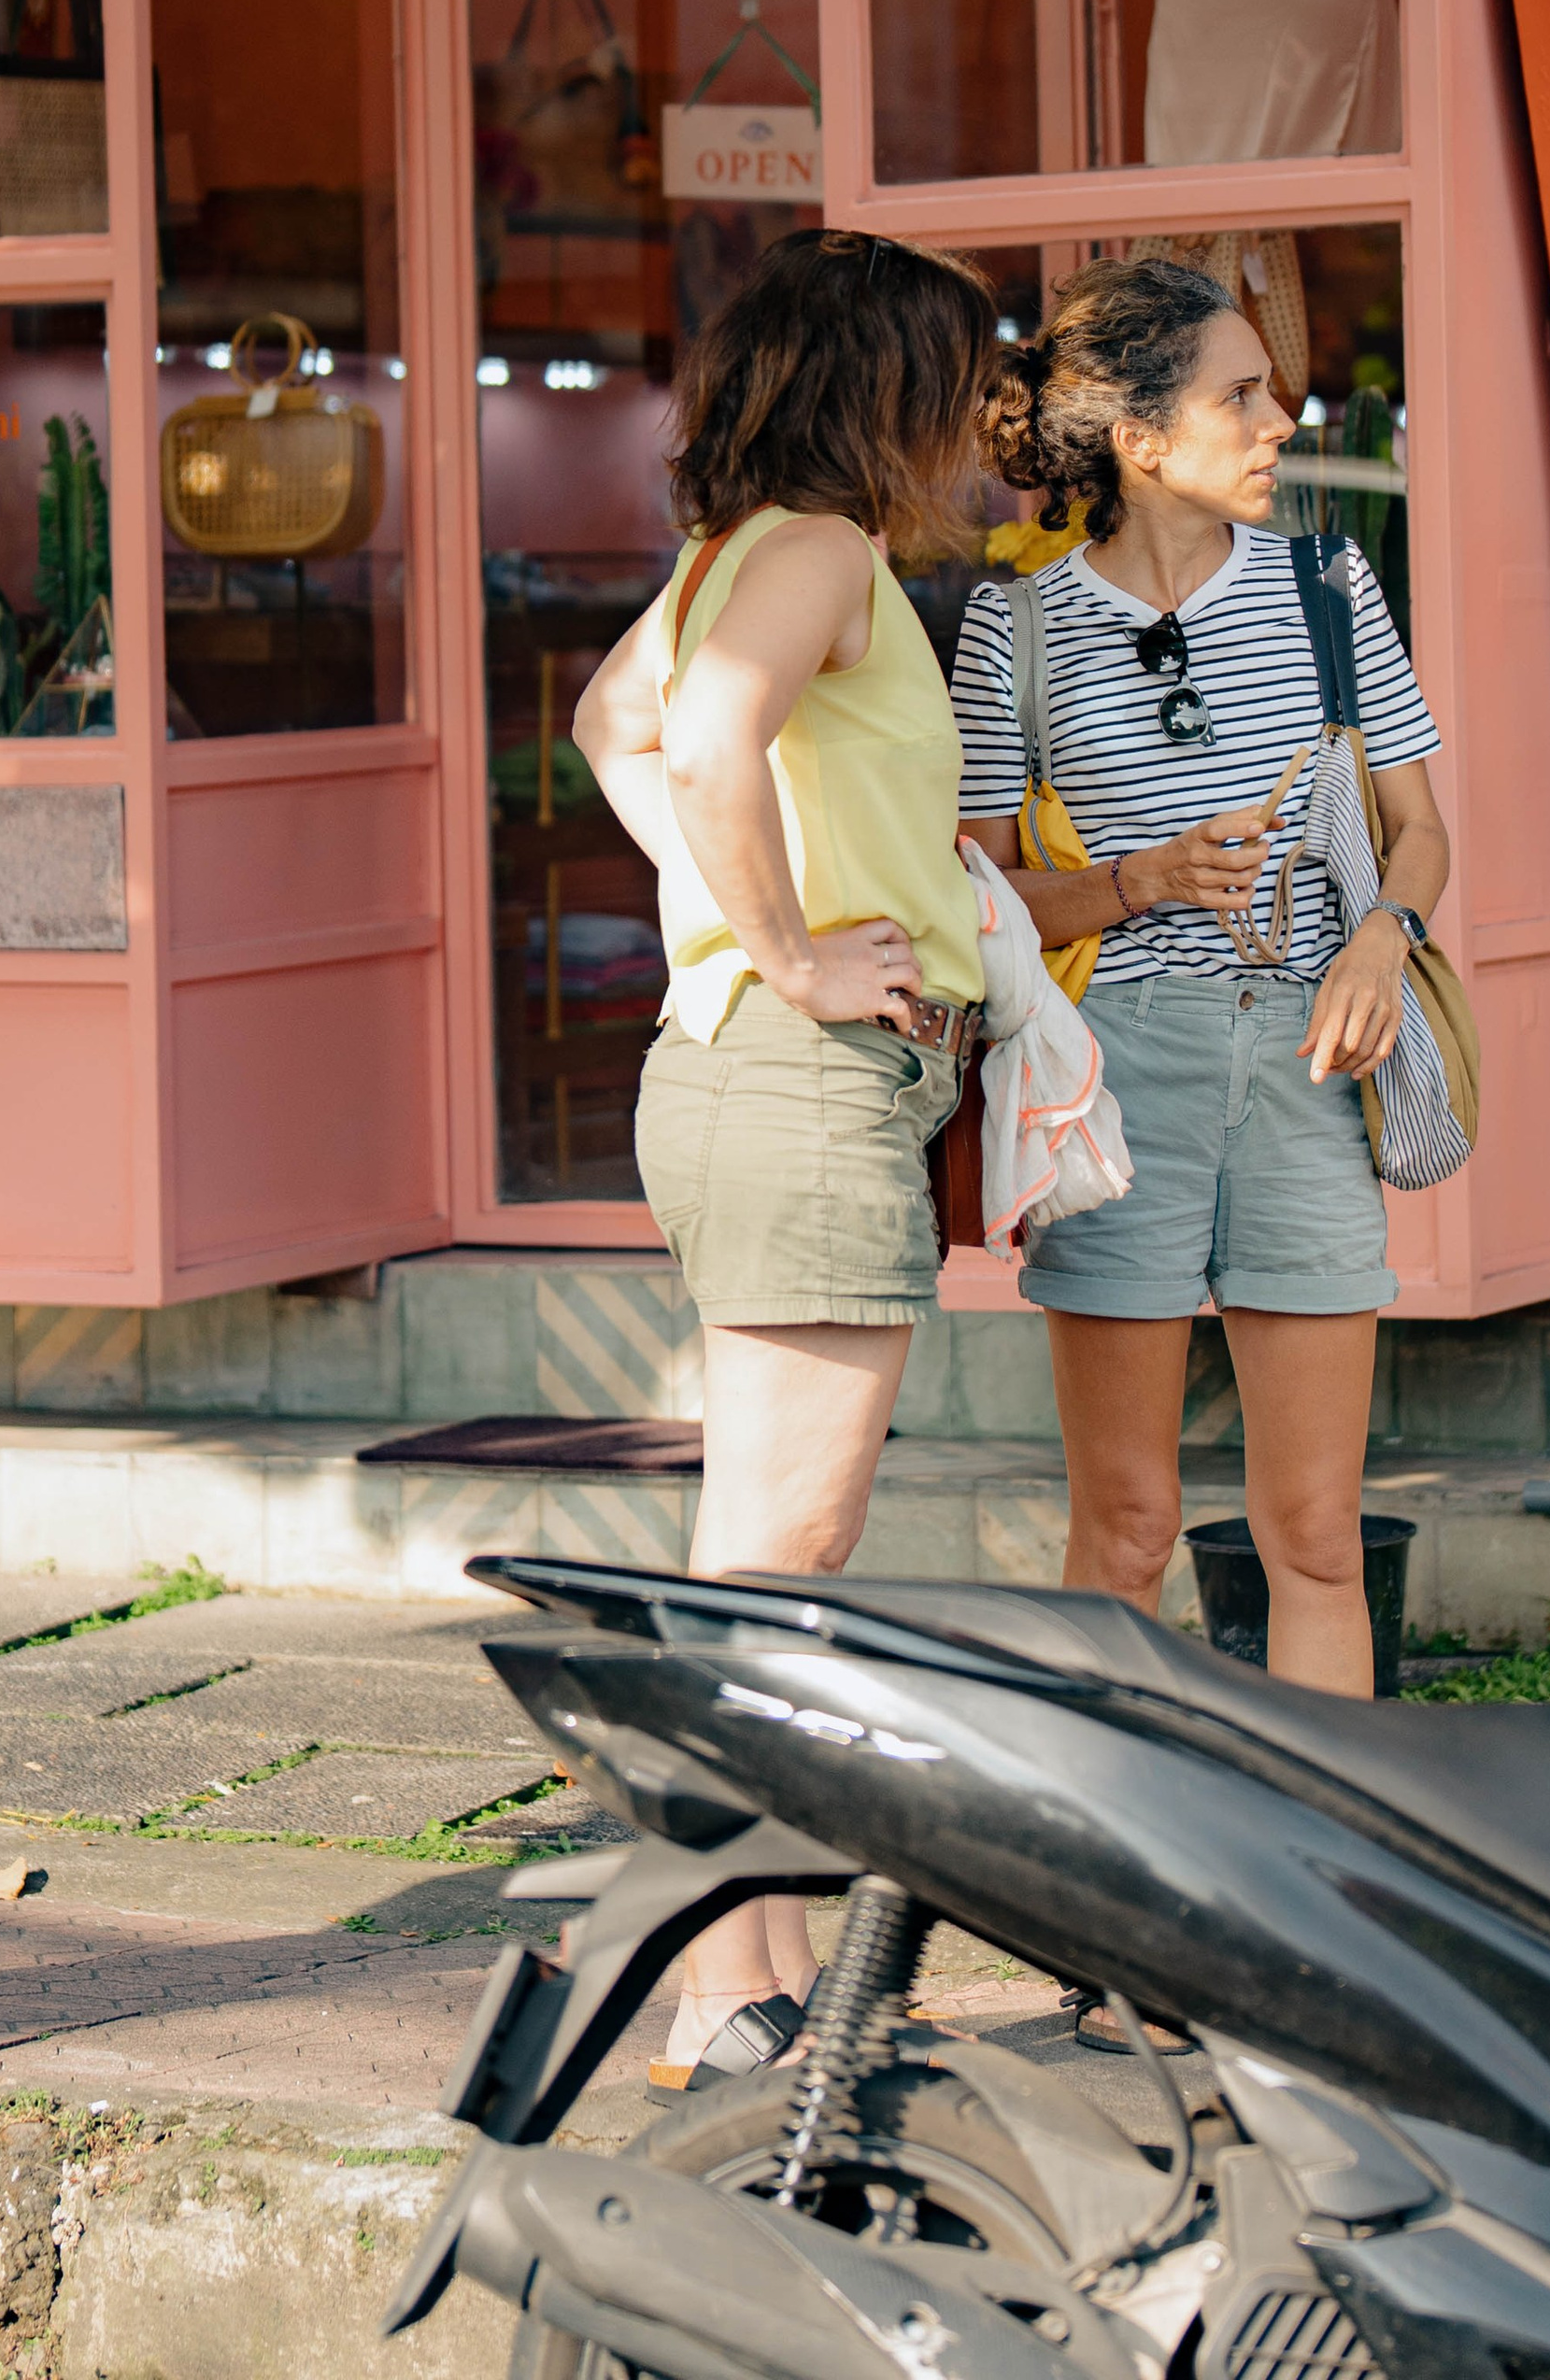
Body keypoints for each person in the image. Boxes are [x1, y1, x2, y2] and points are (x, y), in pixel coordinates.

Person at [574, 226, 996, 2094]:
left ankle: (751, 1970)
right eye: (956, 383)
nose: (977, 423)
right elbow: (707, 741)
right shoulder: (812, 553)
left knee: (754, 1554)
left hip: (763, 1081)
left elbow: (617, 725)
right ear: (880, 391)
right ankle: (720, 1986)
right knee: (778, 1562)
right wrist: (789, 945)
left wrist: (722, 919)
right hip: (799, 1087)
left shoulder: (727, 559)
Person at [952, 258, 1450, 1716]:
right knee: (1127, 1529)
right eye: (1241, 393)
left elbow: (1419, 828)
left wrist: (1382, 942)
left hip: (1310, 1064)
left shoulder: (1327, 586)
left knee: (1314, 1535)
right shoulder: (1017, 630)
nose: (1280, 417)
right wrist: (1139, 880)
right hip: (1120, 1078)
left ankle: (1334, 1885)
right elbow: (975, 903)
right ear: (1139, 438)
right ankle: (1092, 1867)